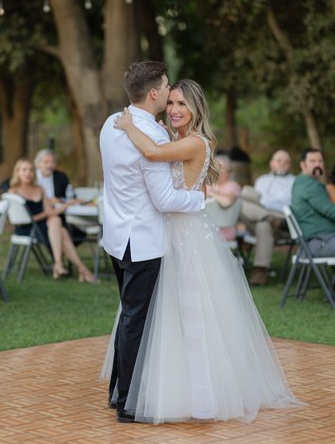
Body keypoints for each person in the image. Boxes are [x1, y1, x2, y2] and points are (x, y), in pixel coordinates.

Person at [104, 78, 300, 425]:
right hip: (167, 235)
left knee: (190, 315)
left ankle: (199, 394)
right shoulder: (176, 137)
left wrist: (130, 125)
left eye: (183, 104)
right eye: (172, 102)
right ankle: (152, 386)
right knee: (162, 317)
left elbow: (151, 154)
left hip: (185, 239)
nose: (176, 110)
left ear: (197, 109)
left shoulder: (195, 142)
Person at [99, 62, 205, 423]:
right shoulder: (155, 138)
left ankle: (118, 391)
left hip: (116, 237)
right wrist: (199, 200)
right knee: (135, 321)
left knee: (127, 317)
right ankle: (129, 402)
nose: (171, 96)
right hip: (144, 241)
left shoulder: (111, 124)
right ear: (155, 93)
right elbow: (164, 200)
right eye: (166, 88)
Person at [8, 158, 97, 282]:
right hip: (27, 228)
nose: (28, 173)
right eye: (24, 170)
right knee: (58, 226)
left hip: (44, 227)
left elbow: (49, 211)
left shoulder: (39, 189)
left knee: (56, 222)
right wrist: (47, 214)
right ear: (17, 172)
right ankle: (80, 269)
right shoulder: (13, 191)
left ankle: (61, 265)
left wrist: (67, 204)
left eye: (30, 170)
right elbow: (26, 219)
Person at [240, 150, 295, 285]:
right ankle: (268, 218)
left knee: (262, 225)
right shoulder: (261, 180)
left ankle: (260, 270)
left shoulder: (295, 181)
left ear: (289, 165)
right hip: (261, 215)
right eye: (278, 160)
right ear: (272, 164)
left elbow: (289, 205)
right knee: (240, 201)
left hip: (282, 221)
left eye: (286, 161)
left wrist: (265, 202)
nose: (282, 164)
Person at [34, 149, 87, 245]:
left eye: (52, 162)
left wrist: (59, 201)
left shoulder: (61, 177)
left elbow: (70, 196)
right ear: (37, 164)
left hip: (59, 214)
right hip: (39, 215)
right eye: (46, 162)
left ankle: (59, 259)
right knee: (60, 228)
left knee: (64, 229)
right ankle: (65, 259)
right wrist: (48, 201)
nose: (50, 165)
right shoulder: (30, 176)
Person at [291, 148, 335, 256]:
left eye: (320, 161)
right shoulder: (309, 185)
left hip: (322, 240)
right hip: (318, 243)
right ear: (303, 164)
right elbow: (330, 211)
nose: (317, 164)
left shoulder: (301, 181)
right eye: (313, 161)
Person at [206, 154, 241, 241]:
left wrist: (212, 194)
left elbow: (227, 202)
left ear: (228, 171)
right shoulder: (208, 185)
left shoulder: (232, 186)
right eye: (215, 167)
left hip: (224, 230)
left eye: (220, 167)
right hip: (206, 227)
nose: (217, 170)